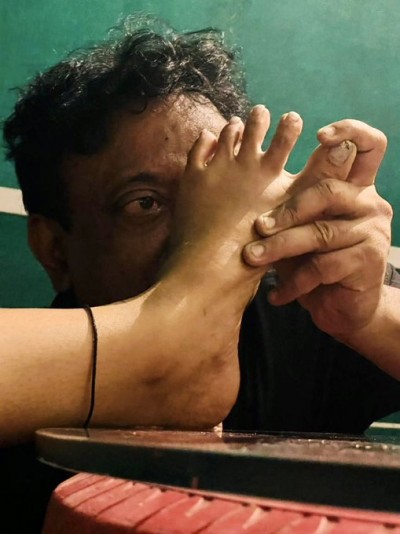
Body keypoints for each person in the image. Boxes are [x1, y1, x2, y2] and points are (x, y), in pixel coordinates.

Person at [2, 13, 400, 531]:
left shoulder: (301, 309)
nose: (204, 233)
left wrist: (371, 318)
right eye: (144, 203)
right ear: (56, 251)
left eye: (219, 190)